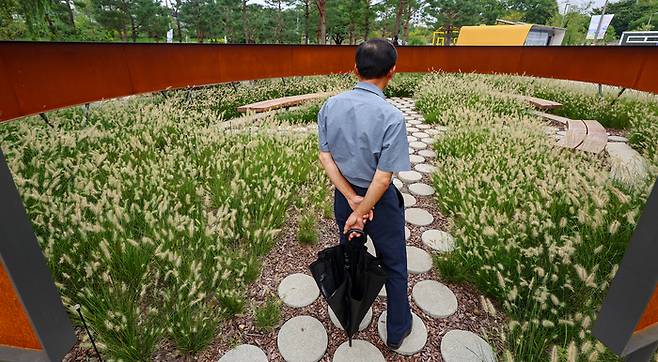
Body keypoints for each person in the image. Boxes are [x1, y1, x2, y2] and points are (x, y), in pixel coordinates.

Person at [317, 38, 413, 350]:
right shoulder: (392, 118)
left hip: (346, 200)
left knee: (350, 257)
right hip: (379, 204)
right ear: (393, 72)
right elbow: (383, 178)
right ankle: (397, 331)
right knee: (395, 264)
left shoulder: (330, 106)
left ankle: (351, 315)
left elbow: (326, 157)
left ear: (355, 69)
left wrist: (352, 203)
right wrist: (365, 208)